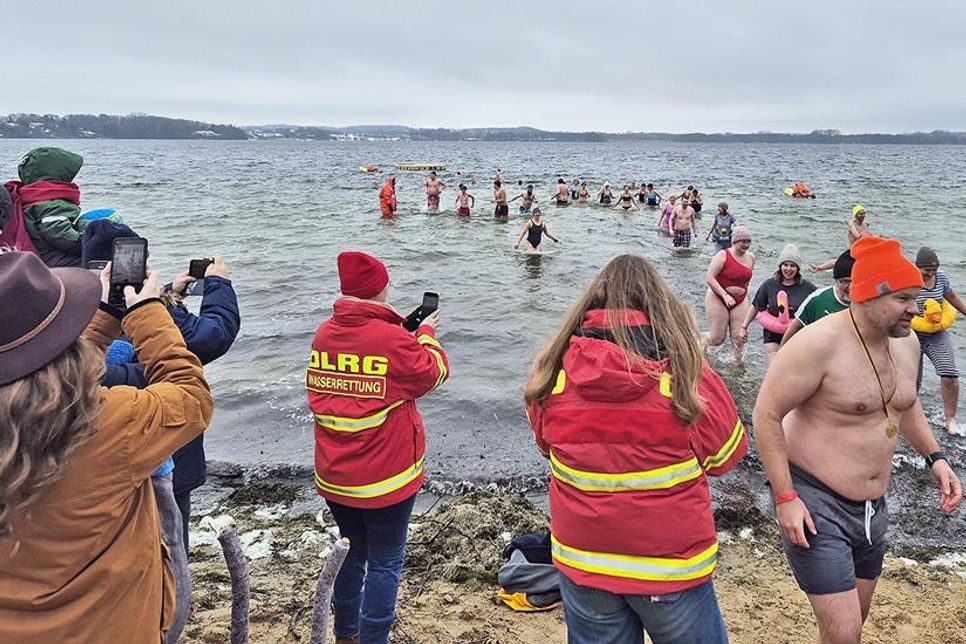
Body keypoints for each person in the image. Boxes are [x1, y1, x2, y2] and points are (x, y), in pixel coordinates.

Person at [524, 254, 747, 644]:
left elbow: (548, 447)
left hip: (583, 558)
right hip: (669, 565)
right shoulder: (684, 374)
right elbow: (726, 457)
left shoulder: (551, 373)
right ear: (660, 304)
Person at [753, 236, 961, 644]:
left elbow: (905, 404)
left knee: (853, 623)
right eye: (904, 298)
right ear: (869, 296)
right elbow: (766, 414)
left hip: (872, 508)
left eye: (916, 297)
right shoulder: (818, 344)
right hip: (815, 501)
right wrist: (785, 498)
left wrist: (936, 457)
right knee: (845, 632)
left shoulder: (908, 344)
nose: (915, 309)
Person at [0, 252, 214, 642]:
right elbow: (190, 398)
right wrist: (148, 313)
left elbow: (31, 368)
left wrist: (102, 318)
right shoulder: (108, 422)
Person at [307, 251, 450, 644]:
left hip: (335, 475)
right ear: (381, 289)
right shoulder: (390, 339)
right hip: (385, 479)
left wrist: (402, 334)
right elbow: (434, 373)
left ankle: (345, 634)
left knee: (351, 553)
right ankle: (374, 638)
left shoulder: (325, 333)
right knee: (386, 561)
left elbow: (367, 369)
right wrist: (425, 335)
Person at [913, 247, 966, 435]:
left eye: (934, 270)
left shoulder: (941, 277)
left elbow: (951, 296)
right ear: (917, 267)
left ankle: (950, 420)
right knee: (913, 380)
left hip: (937, 333)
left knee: (950, 374)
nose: (931, 274)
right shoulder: (909, 278)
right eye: (927, 270)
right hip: (912, 334)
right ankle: (911, 420)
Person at [4, 147, 85, 267]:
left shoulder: (29, 195)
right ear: (60, 176)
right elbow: (58, 234)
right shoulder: (51, 201)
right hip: (52, 261)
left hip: (36, 252)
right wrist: (87, 241)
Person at [739, 244, 816, 366]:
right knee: (774, 368)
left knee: (791, 370)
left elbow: (818, 309)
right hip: (772, 335)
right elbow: (756, 306)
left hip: (796, 335)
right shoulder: (769, 285)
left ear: (798, 268)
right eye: (785, 265)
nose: (789, 269)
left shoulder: (808, 288)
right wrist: (743, 327)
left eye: (793, 266)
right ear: (780, 266)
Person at [702, 226, 755, 361]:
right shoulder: (723, 255)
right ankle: (700, 347)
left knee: (739, 339)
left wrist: (747, 299)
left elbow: (746, 281)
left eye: (748, 242)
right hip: (718, 297)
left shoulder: (751, 258)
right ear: (735, 241)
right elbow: (710, 277)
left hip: (740, 300)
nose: (746, 245)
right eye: (743, 241)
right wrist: (724, 295)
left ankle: (736, 371)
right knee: (717, 338)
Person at [781, 250, 854, 346]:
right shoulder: (818, 299)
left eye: (855, 281)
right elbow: (796, 326)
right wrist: (780, 352)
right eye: (845, 281)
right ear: (836, 281)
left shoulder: (870, 303)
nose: (851, 286)